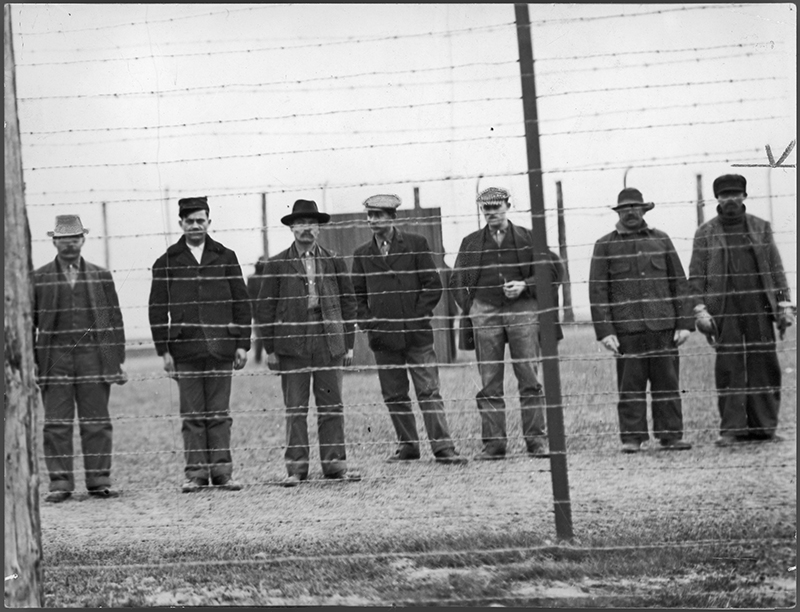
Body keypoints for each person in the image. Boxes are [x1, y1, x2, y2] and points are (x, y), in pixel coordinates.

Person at [351, 194, 467, 465]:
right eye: (369, 215)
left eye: (378, 215)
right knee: (394, 395)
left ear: (392, 217)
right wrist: (370, 323)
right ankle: (408, 446)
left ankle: (443, 447)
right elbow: (356, 296)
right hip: (383, 339)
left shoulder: (416, 244)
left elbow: (432, 284)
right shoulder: (361, 255)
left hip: (417, 336)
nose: (372, 220)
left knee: (428, 390)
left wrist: (416, 316)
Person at [449, 187, 561, 460]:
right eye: (485, 209)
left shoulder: (528, 237)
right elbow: (456, 281)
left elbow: (554, 270)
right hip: (485, 313)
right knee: (490, 381)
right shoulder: (471, 242)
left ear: (508, 206)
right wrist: (472, 308)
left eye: (495, 207)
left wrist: (525, 285)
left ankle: (537, 442)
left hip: (523, 311)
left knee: (529, 377)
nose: (490, 213)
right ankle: (494, 445)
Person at [148, 196, 250, 493]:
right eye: (189, 221)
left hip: (221, 349)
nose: (195, 225)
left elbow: (242, 303)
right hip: (185, 350)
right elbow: (157, 309)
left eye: (200, 220)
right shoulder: (166, 261)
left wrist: (242, 343)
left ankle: (222, 473)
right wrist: (163, 350)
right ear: (180, 223)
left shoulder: (226, 256)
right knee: (192, 415)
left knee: (219, 413)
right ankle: (195, 474)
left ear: (208, 222)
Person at [256, 199, 361, 487]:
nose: (306, 229)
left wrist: (348, 344)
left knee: (331, 406)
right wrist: (270, 348)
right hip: (292, 347)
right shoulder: (277, 264)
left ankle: (335, 466)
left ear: (319, 228)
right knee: (295, 408)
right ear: (291, 228)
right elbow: (264, 308)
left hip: (328, 344)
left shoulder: (334, 260)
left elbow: (348, 303)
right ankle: (296, 469)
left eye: (311, 224)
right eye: (300, 223)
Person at [688, 174, 794, 446]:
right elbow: (696, 276)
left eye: (736, 193)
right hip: (725, 310)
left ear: (744, 196)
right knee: (729, 368)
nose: (731, 199)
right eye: (725, 195)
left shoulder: (761, 228)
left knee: (764, 366)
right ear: (717, 199)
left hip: (758, 307)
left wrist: (784, 304)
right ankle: (732, 429)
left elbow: (776, 270)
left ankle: (764, 428)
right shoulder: (706, 232)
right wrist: (700, 309)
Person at [589, 188, 694, 454]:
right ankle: (632, 438)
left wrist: (684, 323)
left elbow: (679, 284)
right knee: (630, 386)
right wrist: (605, 332)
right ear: (619, 212)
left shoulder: (662, 240)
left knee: (668, 384)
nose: (631, 212)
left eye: (636, 208)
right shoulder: (605, 245)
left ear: (644, 210)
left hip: (663, 328)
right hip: (627, 331)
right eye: (626, 209)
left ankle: (670, 435)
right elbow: (598, 291)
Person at [33, 214, 127, 503]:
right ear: (54, 241)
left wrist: (115, 362)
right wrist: (30, 364)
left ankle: (99, 480)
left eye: (74, 239)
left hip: (93, 358)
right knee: (56, 423)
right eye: (64, 240)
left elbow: (112, 320)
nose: (69, 245)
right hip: (54, 357)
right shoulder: (39, 278)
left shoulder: (99, 276)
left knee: (96, 421)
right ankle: (60, 482)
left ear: (83, 240)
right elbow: (29, 324)